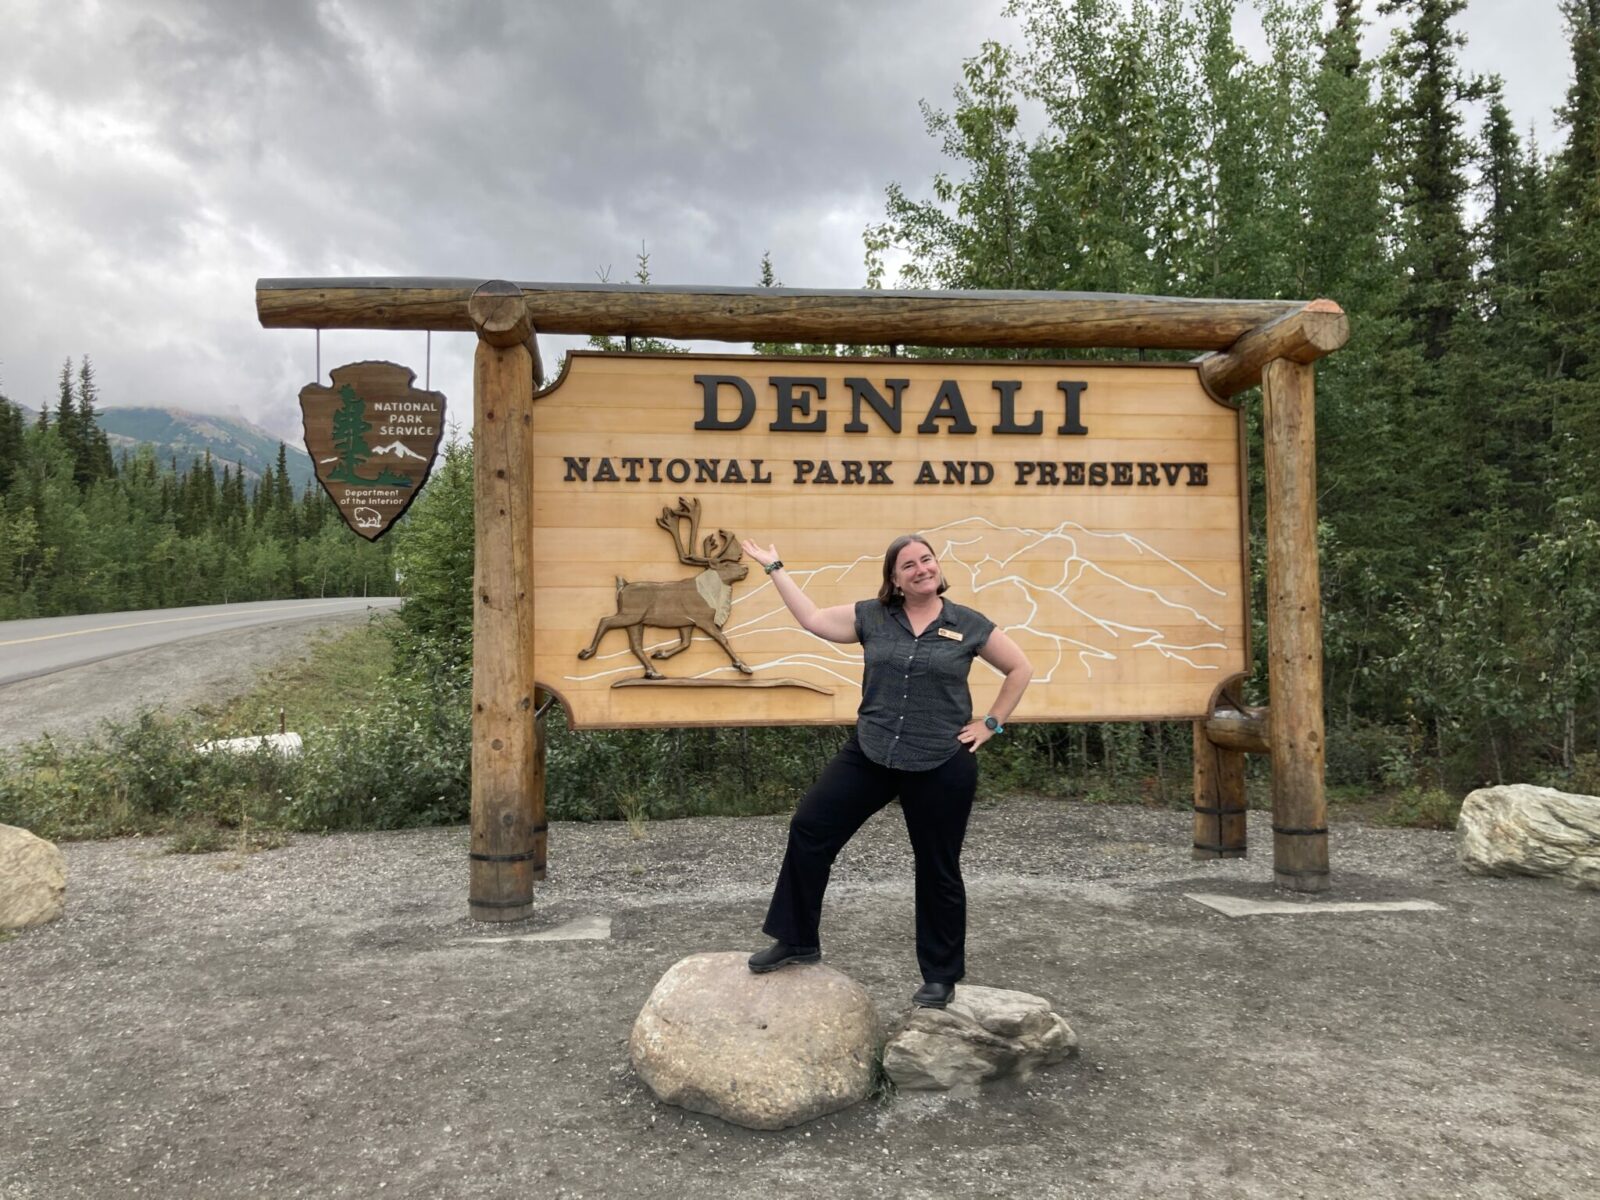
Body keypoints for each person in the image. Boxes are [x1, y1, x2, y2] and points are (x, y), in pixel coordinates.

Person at [739, 533, 1033, 1008]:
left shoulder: (969, 624)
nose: (921, 569)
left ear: (937, 567)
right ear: (894, 579)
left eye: (927, 560)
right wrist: (776, 568)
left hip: (940, 759)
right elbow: (812, 619)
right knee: (810, 828)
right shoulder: (872, 617)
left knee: (937, 868)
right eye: (909, 565)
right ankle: (796, 940)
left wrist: (992, 723)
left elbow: (1019, 668)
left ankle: (940, 975)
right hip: (871, 751)